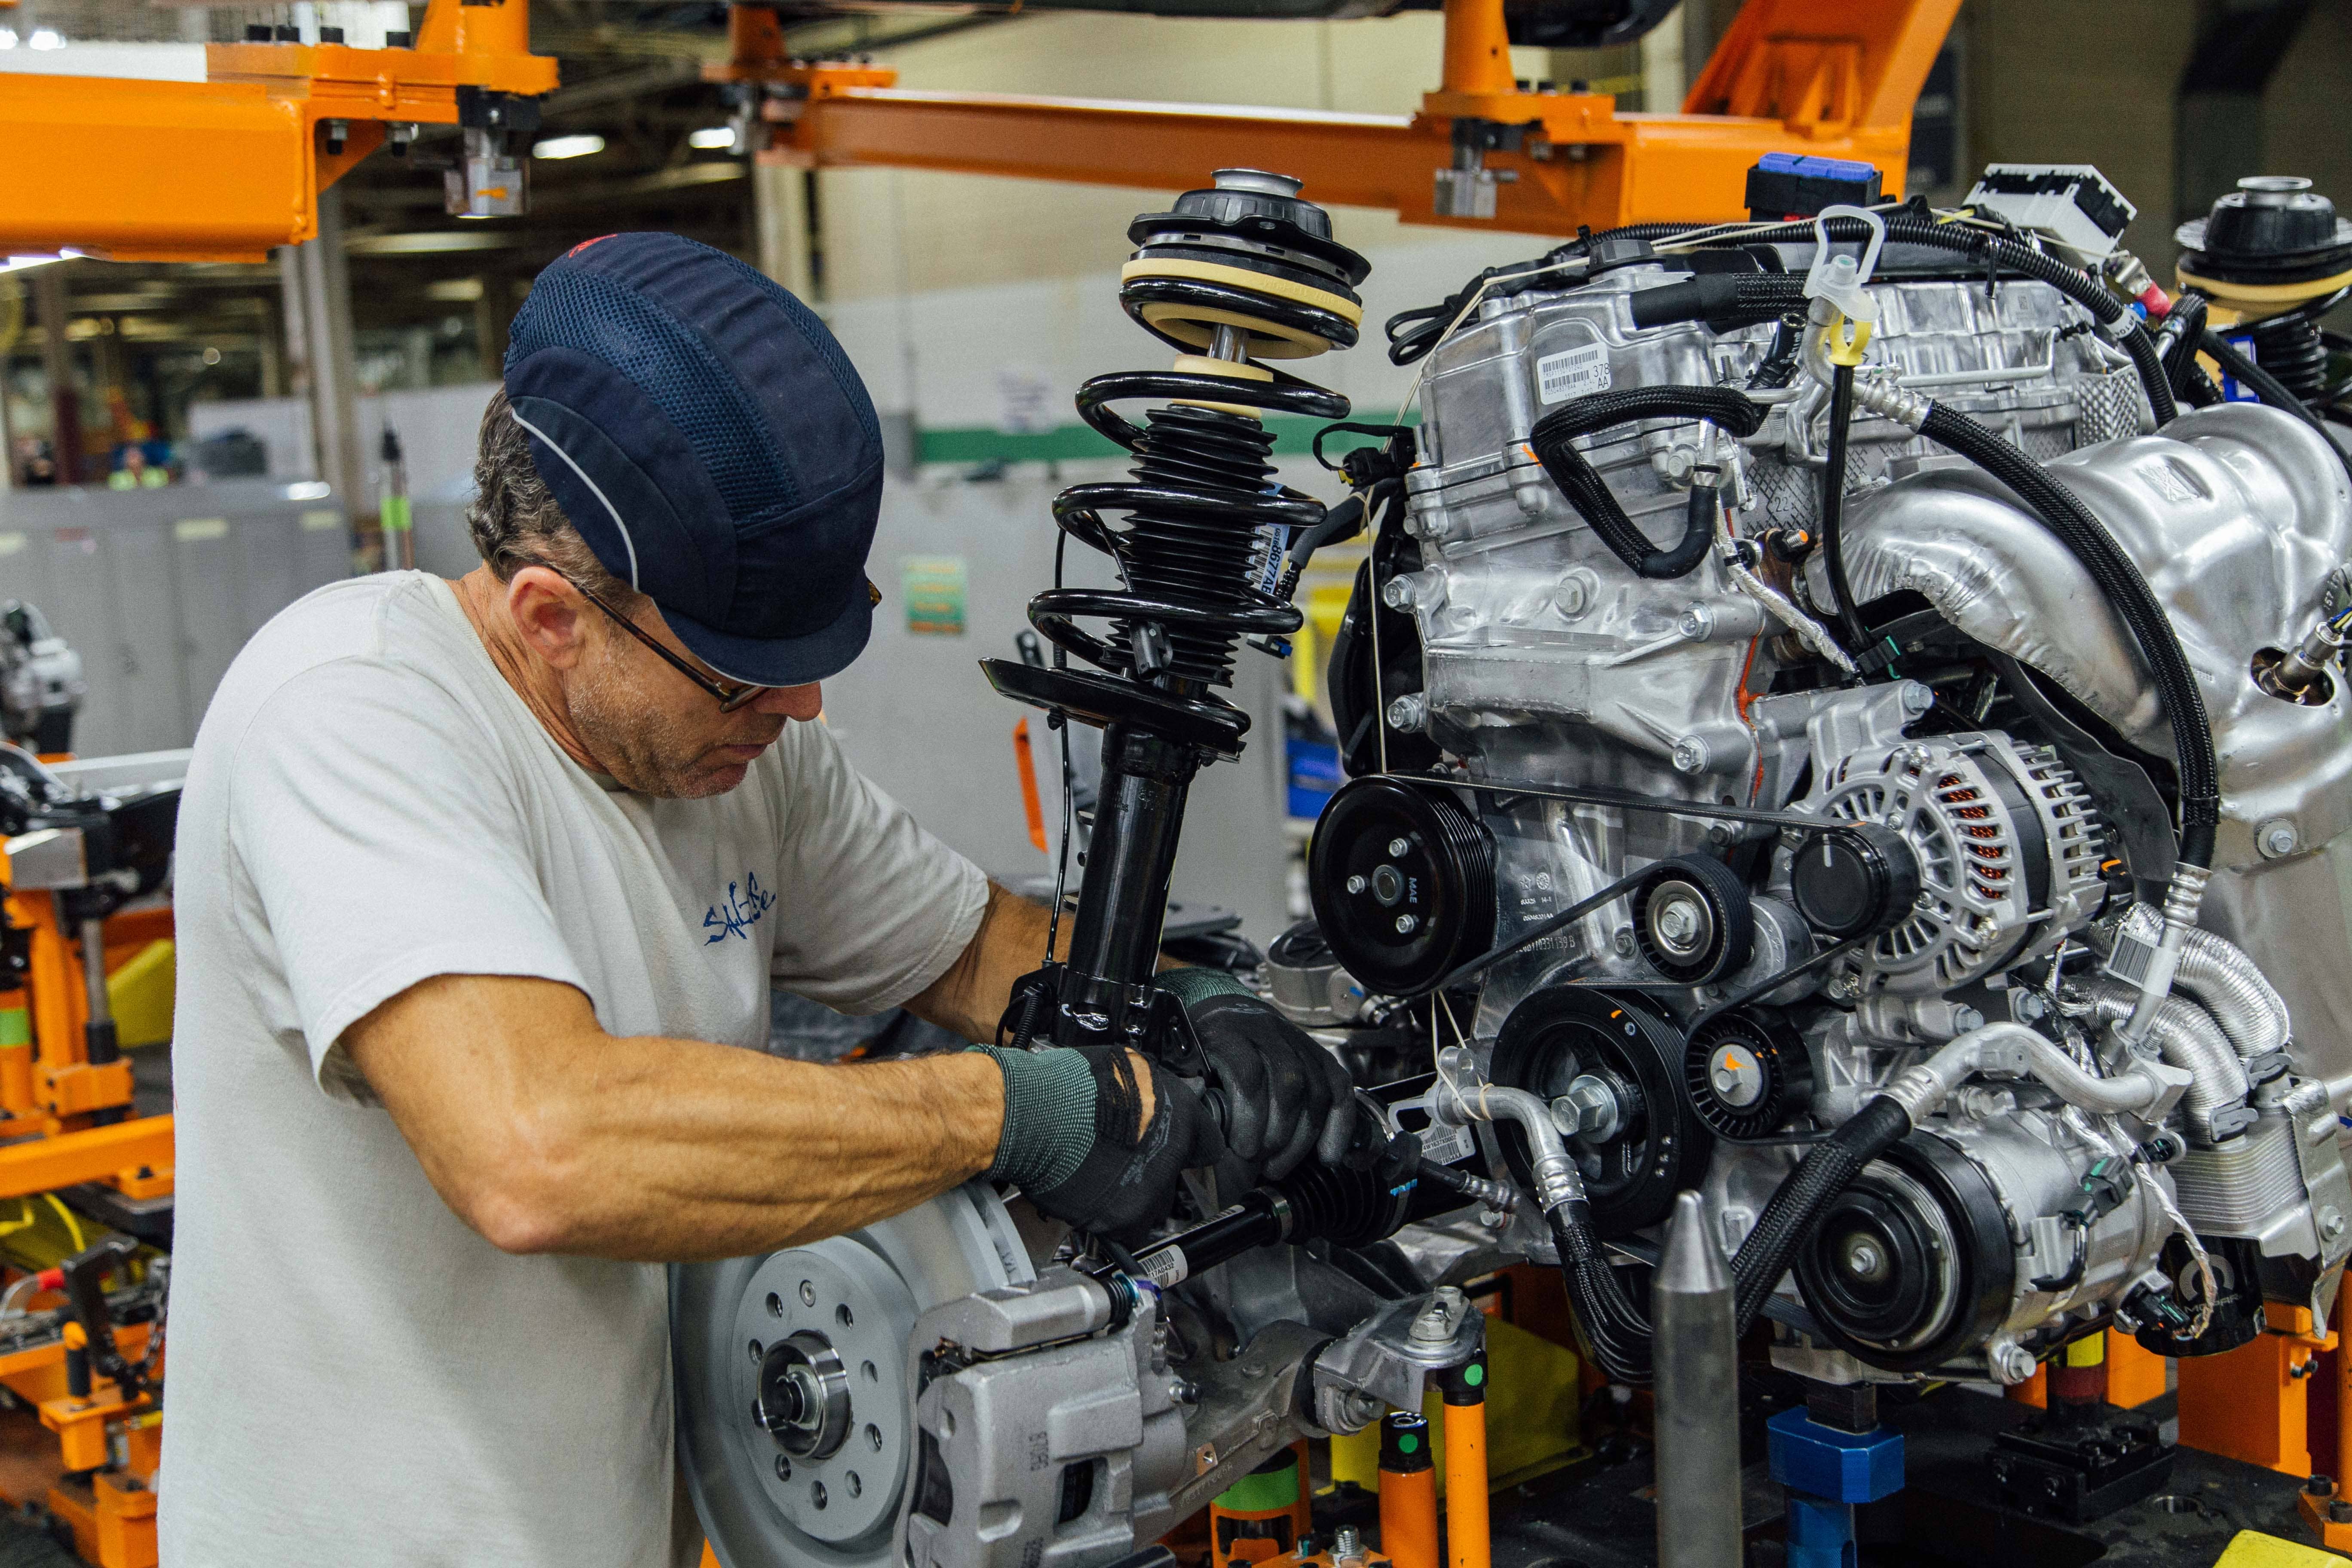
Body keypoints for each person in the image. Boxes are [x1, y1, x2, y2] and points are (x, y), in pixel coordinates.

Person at [159, 233, 1355, 1567]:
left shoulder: (743, 754)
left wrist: (1199, 1011)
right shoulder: (351, 707)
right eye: (743, 675)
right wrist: (1009, 1111)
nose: (802, 708)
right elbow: (535, 1149)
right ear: (553, 617)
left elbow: (976, 950)